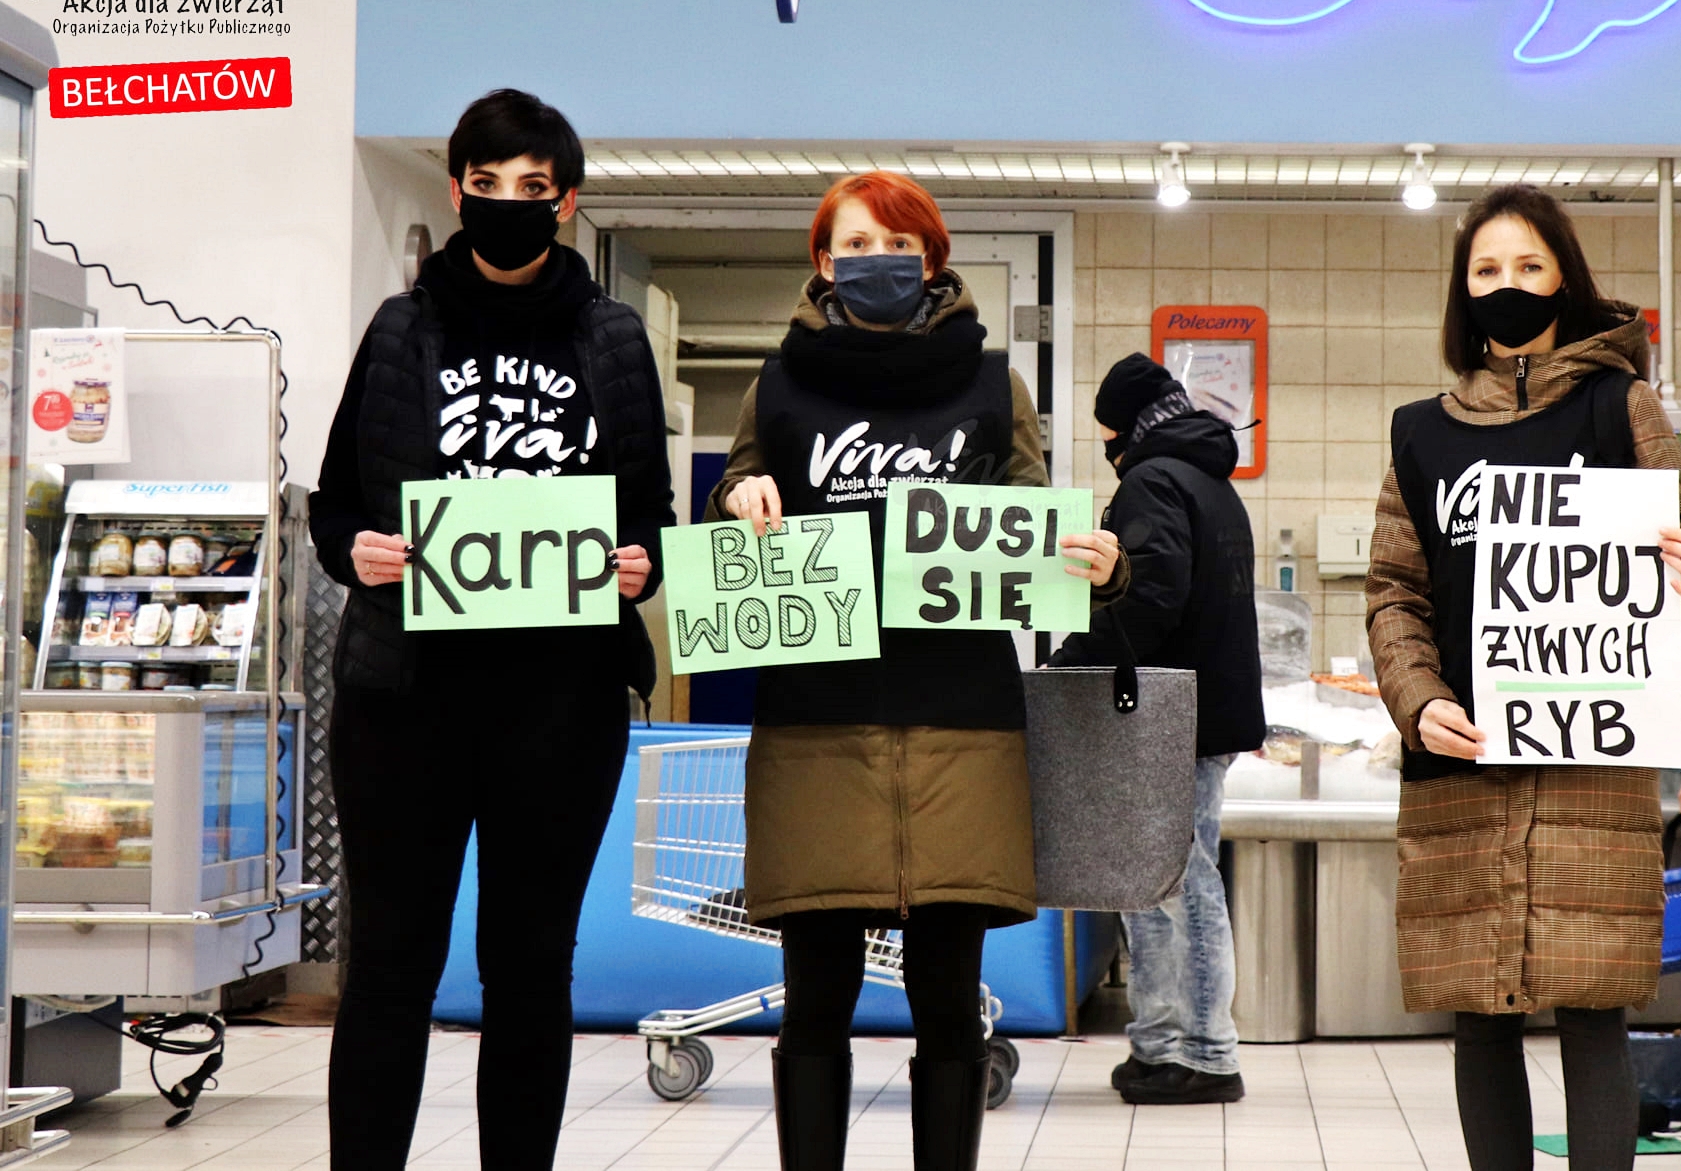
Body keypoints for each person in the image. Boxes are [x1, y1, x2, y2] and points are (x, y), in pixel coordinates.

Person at [705, 170, 1125, 1171]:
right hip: (815, 724)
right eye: (854, 244)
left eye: (898, 244)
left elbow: (1035, 528)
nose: (875, 262)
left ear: (931, 260)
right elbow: (731, 485)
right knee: (816, 1001)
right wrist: (739, 493)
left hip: (962, 729)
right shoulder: (779, 384)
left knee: (948, 1002)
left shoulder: (992, 386)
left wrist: (1098, 564)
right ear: (821, 261)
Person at [309, 89, 674, 1171]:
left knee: (528, 967)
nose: (508, 202)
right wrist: (356, 551)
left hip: (558, 703)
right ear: (459, 188)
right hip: (402, 697)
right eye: (485, 183)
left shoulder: (612, 339)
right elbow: (335, 505)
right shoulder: (397, 328)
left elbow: (645, 514)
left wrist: (638, 563)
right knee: (388, 963)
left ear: (563, 202)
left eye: (531, 187)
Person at [1365, 185, 1681, 1171]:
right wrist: (1418, 698)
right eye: (1486, 270)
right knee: (1475, 1016)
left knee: (1591, 1011)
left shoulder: (1620, 405)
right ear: (1459, 289)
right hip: (1460, 759)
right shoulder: (1418, 435)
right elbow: (1393, 592)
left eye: (1526, 265)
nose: (1507, 286)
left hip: (1588, 763)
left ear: (1562, 274)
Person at [1049, 353, 1265, 1105]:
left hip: (1172, 714)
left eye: (1110, 430)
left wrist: (1068, 662)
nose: (1109, 446)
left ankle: (1206, 1053)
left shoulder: (1152, 479)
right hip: (1202, 708)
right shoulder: (1209, 479)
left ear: (1129, 425)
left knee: (1179, 882)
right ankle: (1161, 1042)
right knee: (1159, 880)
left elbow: (1150, 596)